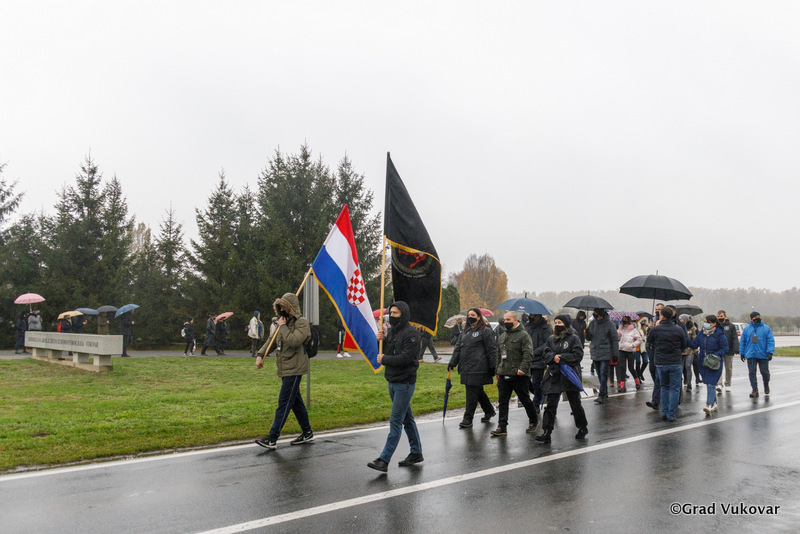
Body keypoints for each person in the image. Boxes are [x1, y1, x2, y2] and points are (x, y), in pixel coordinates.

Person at [367, 301, 423, 472]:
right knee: (407, 419)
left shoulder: (412, 334)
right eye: (390, 313)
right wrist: (380, 340)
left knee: (396, 420)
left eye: (396, 313)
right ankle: (416, 452)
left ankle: (384, 459)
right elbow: (386, 351)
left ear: (403, 314)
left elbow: (406, 358)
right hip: (392, 380)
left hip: (405, 382)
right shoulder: (391, 332)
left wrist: (384, 359)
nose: (392, 316)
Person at [255, 292, 314, 450]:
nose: (281, 310)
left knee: (284, 402)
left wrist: (282, 327)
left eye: (283, 307)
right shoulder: (282, 322)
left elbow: (294, 341)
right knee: (295, 402)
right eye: (279, 307)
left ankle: (272, 437)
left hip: (295, 368)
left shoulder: (302, 323)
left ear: (290, 307)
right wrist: (260, 354)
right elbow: (271, 341)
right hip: (284, 367)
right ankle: (307, 432)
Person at [537, 314, 588, 443]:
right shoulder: (551, 339)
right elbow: (546, 353)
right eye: (556, 322)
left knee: (575, 403)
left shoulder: (574, 338)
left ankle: (582, 427)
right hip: (554, 375)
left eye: (560, 322)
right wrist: (552, 357)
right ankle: (547, 432)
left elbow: (578, 355)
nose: (557, 325)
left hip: (569, 375)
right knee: (551, 404)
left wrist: (562, 358)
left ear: (566, 324)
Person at [491, 311, 539, 437]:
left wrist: (523, 368)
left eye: (508, 320)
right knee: (503, 402)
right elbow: (499, 354)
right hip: (504, 373)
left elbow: (528, 354)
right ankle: (502, 426)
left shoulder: (524, 335)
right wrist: (497, 370)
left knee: (525, 399)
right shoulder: (502, 336)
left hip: (519, 375)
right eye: (504, 320)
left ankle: (534, 420)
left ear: (515, 321)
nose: (505, 322)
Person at [447, 307, 497, 428]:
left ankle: (468, 418)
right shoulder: (465, 332)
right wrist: (452, 362)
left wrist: (493, 366)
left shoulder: (486, 331)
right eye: (468, 315)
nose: (470, 317)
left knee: (471, 393)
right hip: (466, 367)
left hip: (478, 367)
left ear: (479, 317)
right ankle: (489, 410)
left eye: (473, 315)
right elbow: (458, 348)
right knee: (477, 391)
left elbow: (492, 350)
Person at [646, 306, 687, 422]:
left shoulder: (655, 329)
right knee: (675, 388)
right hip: (675, 361)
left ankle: (664, 411)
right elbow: (684, 344)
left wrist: (652, 328)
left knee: (664, 387)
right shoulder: (678, 329)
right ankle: (671, 413)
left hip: (661, 361)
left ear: (662, 316)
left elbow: (649, 341)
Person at [687, 315, 729, 414]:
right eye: (705, 321)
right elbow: (694, 345)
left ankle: (708, 404)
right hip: (703, 362)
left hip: (714, 363)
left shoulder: (720, 335)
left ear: (714, 323)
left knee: (711, 383)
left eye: (708, 322)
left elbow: (725, 348)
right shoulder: (701, 333)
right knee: (708, 383)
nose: (705, 324)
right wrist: (686, 338)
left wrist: (715, 355)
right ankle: (714, 403)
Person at [586, 308, 619, 404]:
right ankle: (604, 392)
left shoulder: (610, 324)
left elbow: (614, 339)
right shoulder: (592, 323)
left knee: (603, 373)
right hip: (595, 351)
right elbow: (589, 338)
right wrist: (587, 333)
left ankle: (601, 394)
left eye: (596, 313)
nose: (595, 315)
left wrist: (615, 354)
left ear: (601, 314)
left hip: (605, 352)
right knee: (599, 374)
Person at [740, 311, 775, 398]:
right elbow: (743, 342)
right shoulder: (746, 329)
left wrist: (770, 352)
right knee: (752, 372)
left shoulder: (766, 328)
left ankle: (766, 384)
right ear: (751, 319)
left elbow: (770, 341)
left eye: (758, 317)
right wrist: (742, 353)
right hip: (751, 355)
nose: (757, 318)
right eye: (755, 317)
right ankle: (754, 389)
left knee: (765, 372)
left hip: (763, 354)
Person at [524, 313, 552, 409]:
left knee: (536, 382)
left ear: (538, 316)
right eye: (530, 315)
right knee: (525, 382)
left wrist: (535, 352)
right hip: (527, 359)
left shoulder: (546, 328)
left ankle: (536, 404)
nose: (531, 317)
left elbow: (548, 343)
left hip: (539, 360)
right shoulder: (527, 326)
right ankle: (540, 394)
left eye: (533, 315)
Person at [617, 315, 642, 392]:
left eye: (625, 319)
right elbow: (617, 339)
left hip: (630, 351)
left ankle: (636, 381)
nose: (623, 321)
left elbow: (639, 339)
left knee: (630, 368)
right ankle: (622, 386)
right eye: (622, 319)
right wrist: (618, 336)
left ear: (628, 321)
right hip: (621, 350)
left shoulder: (633, 330)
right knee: (622, 368)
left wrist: (633, 345)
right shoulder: (620, 329)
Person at [716, 310, 739, 393]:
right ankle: (719, 384)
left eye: (721, 316)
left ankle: (728, 384)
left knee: (728, 368)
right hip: (718, 350)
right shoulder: (716, 326)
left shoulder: (731, 326)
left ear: (725, 316)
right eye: (718, 316)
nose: (720, 318)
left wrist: (736, 348)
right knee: (718, 367)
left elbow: (734, 338)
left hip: (729, 350)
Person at [679, 314, 699, 392]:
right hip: (680, 351)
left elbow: (694, 339)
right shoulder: (678, 328)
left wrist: (695, 350)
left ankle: (689, 384)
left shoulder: (691, 328)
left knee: (688, 366)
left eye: (681, 319)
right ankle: (679, 384)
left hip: (689, 350)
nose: (680, 321)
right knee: (680, 368)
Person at [635, 317, 649, 382]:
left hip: (644, 347)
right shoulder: (636, 329)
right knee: (638, 362)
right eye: (642, 321)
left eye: (644, 321)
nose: (643, 322)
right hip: (637, 347)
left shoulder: (647, 328)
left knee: (645, 361)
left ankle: (640, 373)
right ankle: (638, 377)